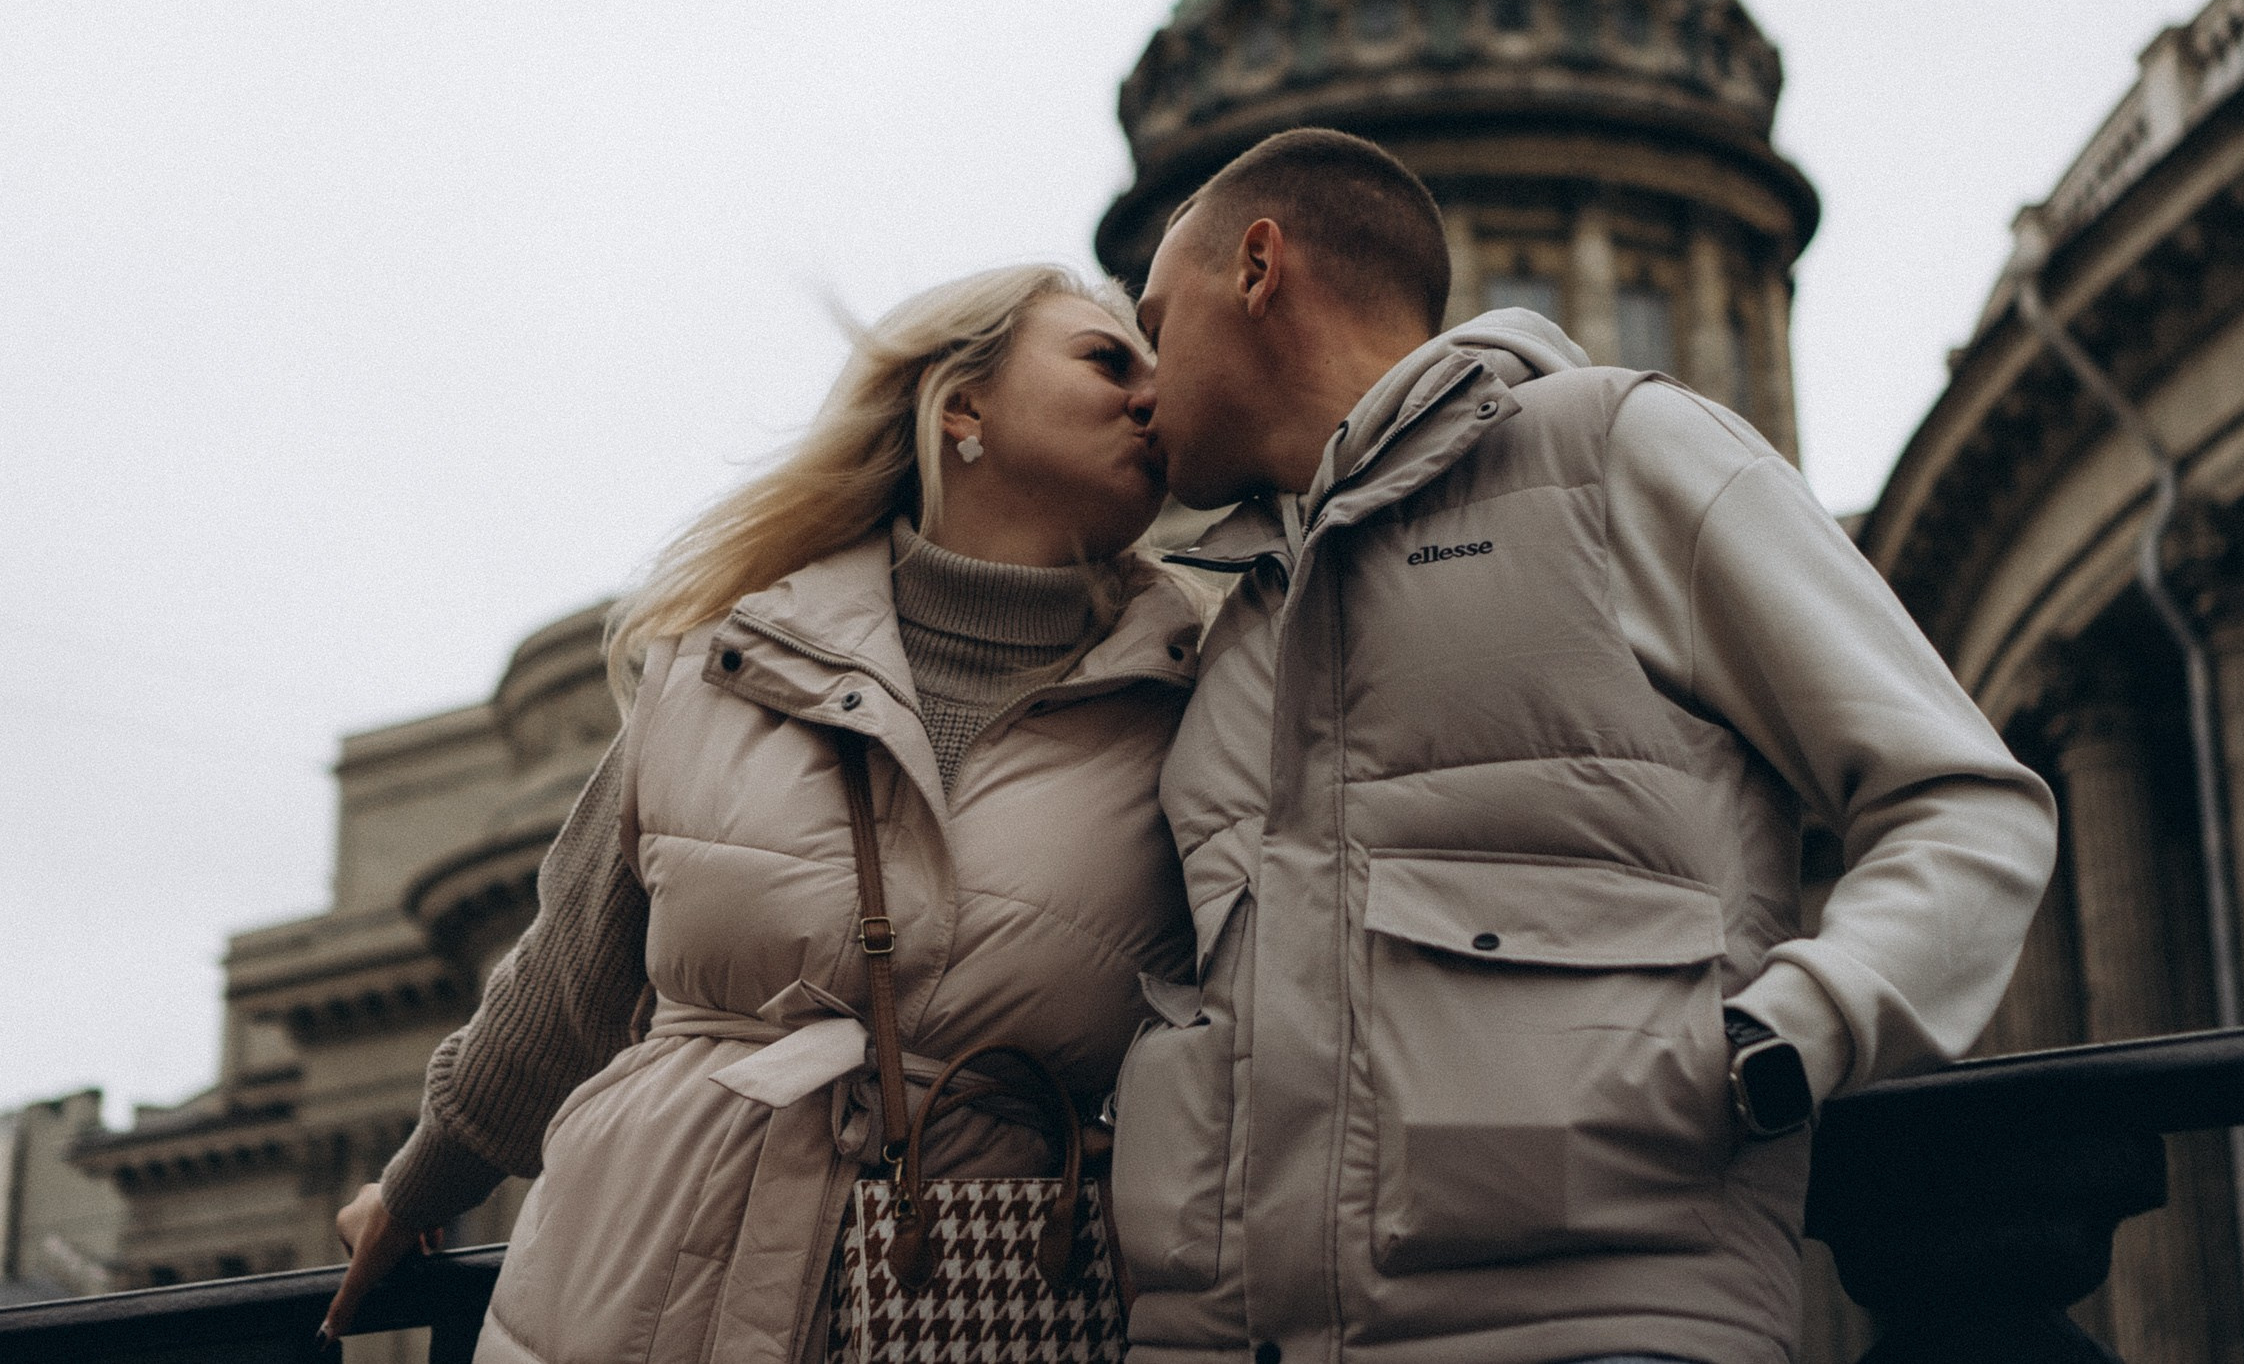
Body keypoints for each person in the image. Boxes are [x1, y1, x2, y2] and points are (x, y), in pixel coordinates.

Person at [1111, 128, 2059, 1364]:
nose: (1142, 381)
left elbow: (1965, 804)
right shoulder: (1232, 627)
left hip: (1597, 1327)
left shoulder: (1616, 453)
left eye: (1155, 322)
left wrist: (1781, 1042)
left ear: (1257, 268)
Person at [324, 265, 1205, 1364]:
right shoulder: (728, 657)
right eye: (1107, 359)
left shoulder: (1198, 699)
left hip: (965, 1306)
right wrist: (415, 1189)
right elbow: (565, 983)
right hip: (629, 1290)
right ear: (962, 404)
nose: (1154, 394)